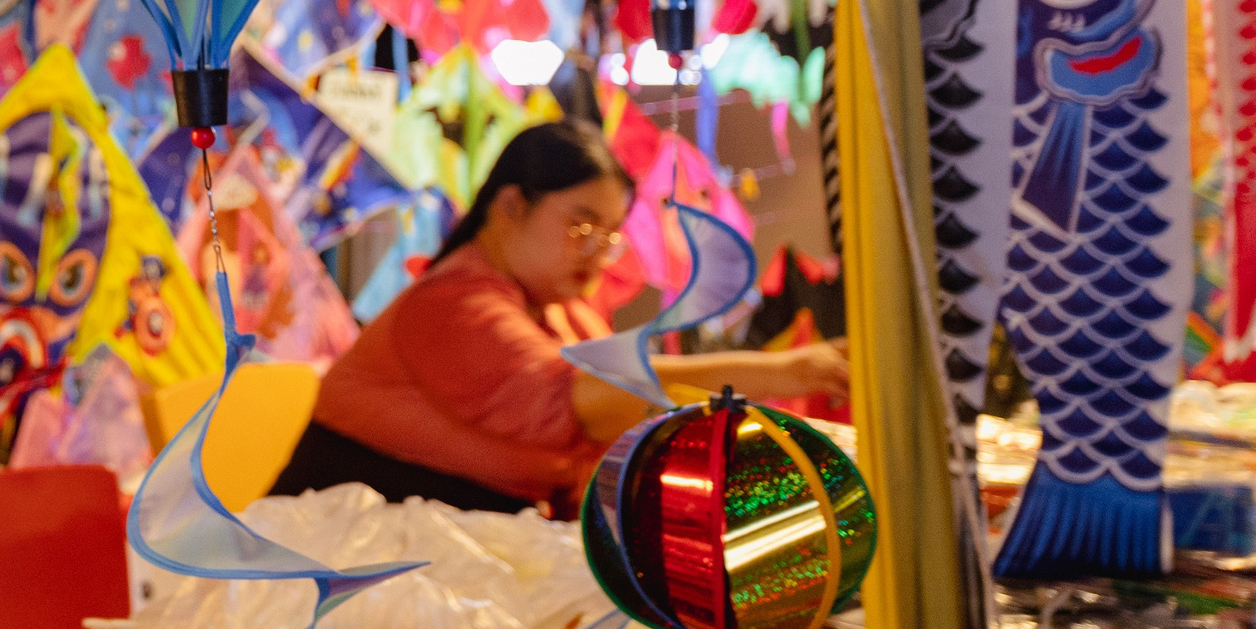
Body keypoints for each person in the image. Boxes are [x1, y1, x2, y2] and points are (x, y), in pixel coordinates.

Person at [270, 119, 850, 514]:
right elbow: (589, 403)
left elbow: (624, 428)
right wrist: (790, 372)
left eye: (610, 234)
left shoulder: (560, 311)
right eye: (580, 224)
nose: (597, 249)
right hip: (328, 560)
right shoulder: (450, 305)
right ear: (511, 206)